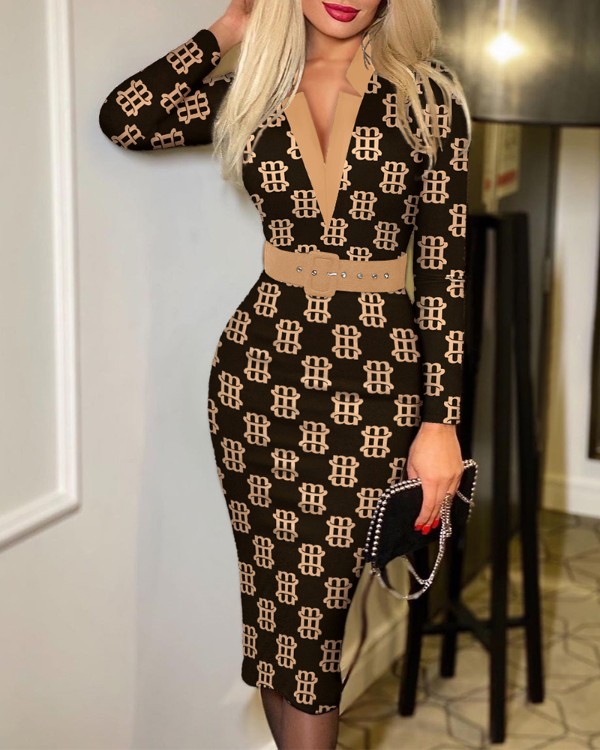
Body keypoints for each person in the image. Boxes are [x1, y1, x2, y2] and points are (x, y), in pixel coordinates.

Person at [98, 0, 471, 746]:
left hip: (374, 382)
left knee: (315, 620)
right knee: (276, 613)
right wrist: (232, 27)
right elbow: (126, 118)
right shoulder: (257, 89)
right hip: (259, 378)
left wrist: (441, 422)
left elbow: (444, 271)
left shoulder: (429, 98)